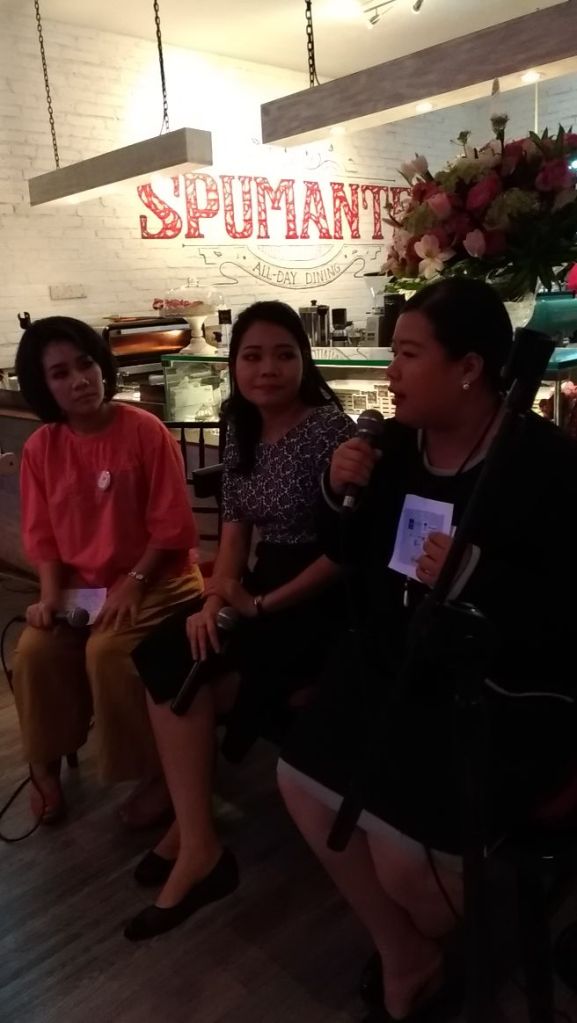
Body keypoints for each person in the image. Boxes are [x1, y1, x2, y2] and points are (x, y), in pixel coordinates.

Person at [277, 278, 577, 1022]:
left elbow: (566, 611)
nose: (392, 372)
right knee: (298, 778)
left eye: (409, 355)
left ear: (469, 367)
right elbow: (348, 550)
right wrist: (334, 489)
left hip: (498, 689)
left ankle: (441, 929)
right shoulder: (394, 451)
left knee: (407, 869)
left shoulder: (542, 464)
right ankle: (406, 955)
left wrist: (478, 576)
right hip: (394, 668)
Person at [125, 299, 354, 941]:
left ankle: (195, 842)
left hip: (319, 599)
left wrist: (255, 606)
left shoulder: (330, 431)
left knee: (189, 675)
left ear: (304, 361)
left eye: (283, 354)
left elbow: (346, 555)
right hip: (260, 583)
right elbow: (234, 530)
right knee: (165, 652)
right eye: (252, 356)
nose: (267, 368)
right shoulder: (240, 424)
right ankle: (195, 834)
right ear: (234, 365)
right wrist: (214, 600)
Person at [12, 316, 203, 826]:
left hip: (161, 579)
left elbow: (171, 528)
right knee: (34, 650)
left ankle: (156, 772)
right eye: (60, 373)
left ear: (102, 365)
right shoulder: (41, 448)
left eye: (86, 364)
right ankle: (44, 763)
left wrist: (134, 583)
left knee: (108, 651)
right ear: (43, 386)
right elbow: (43, 536)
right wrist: (49, 597)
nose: (79, 380)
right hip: (84, 588)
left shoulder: (145, 431)